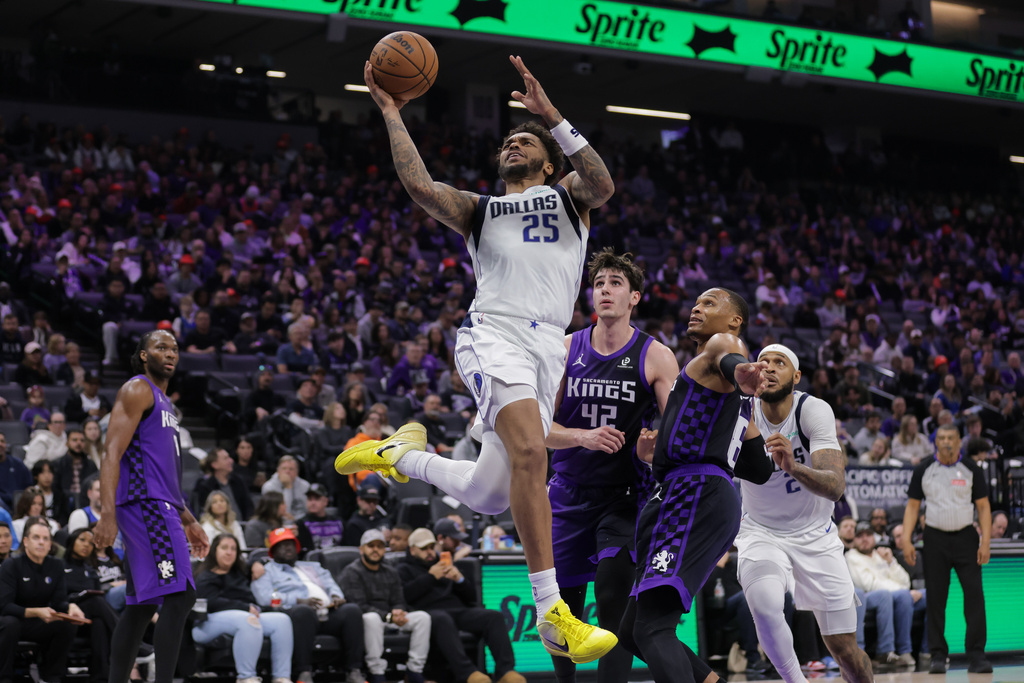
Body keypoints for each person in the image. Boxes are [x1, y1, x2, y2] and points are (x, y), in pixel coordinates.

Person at [336, 54, 618, 663]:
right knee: (529, 452)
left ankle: (398, 455)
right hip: (494, 333)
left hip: (550, 348)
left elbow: (601, 184)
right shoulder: (480, 209)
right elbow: (418, 186)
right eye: (509, 140)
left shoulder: (570, 198)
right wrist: (391, 113)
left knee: (492, 493)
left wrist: (555, 118)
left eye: (525, 140)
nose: (513, 144)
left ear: (547, 162)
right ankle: (553, 613)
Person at [618, 288, 773, 683]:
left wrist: (740, 369)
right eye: (697, 302)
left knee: (653, 629)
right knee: (635, 632)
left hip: (694, 493)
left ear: (734, 320)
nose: (696, 308)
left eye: (710, 303)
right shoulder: (726, 392)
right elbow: (758, 468)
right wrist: (661, 453)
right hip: (694, 490)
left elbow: (731, 356)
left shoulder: (723, 345)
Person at [541, 248, 679, 682]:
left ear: (634, 297)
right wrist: (581, 436)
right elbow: (533, 428)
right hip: (566, 491)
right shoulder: (565, 349)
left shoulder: (656, 356)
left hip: (623, 498)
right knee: (560, 608)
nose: (605, 290)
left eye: (615, 283)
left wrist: (651, 450)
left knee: (612, 593)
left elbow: (676, 438)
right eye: (599, 283)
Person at [734, 344, 873, 683]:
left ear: (795, 377)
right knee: (765, 604)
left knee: (844, 649)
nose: (768, 367)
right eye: (762, 361)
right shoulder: (739, 411)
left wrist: (793, 467)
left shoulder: (813, 410)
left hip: (815, 533)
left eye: (779, 363)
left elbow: (836, 486)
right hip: (760, 530)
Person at [92, 330, 210, 683]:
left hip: (161, 505)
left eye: (174, 349)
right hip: (146, 506)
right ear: (144, 355)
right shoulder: (138, 389)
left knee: (141, 605)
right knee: (181, 595)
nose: (170, 353)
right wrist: (107, 514)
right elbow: (111, 451)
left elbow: (163, 471)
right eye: (161, 347)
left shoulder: (165, 403)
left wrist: (188, 518)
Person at [900, 423, 992, 674]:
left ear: (959, 440)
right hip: (934, 538)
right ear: (936, 442)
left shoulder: (972, 468)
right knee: (936, 599)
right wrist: (907, 539)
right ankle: (938, 654)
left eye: (951, 437)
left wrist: (985, 542)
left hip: (966, 538)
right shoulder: (924, 469)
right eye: (941, 438)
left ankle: (977, 655)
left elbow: (983, 507)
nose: (946, 442)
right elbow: (912, 506)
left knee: (974, 597)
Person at [398, 527, 525, 683]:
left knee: (494, 616)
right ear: (412, 550)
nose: (430, 552)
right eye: (424, 548)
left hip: (458, 611)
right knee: (442, 618)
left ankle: (506, 671)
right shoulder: (403, 569)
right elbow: (405, 596)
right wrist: (430, 577)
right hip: (428, 613)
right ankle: (468, 673)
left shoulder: (445, 564)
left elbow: (472, 597)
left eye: (431, 547)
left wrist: (459, 580)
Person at [251, 527, 364, 683]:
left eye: (291, 543)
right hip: (296, 616)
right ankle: (304, 672)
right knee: (303, 612)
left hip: (327, 612)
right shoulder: (267, 571)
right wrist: (298, 600)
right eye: (282, 544)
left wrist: (336, 596)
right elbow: (264, 598)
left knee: (352, 611)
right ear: (273, 550)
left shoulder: (312, 566)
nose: (288, 547)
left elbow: (331, 583)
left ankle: (354, 671)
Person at [193, 533, 294, 683]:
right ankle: (246, 677)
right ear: (215, 550)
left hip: (244, 616)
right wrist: (245, 607)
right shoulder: (205, 576)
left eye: (233, 549)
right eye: (224, 548)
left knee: (282, 620)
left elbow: (257, 558)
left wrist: (256, 563)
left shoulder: (239, 571)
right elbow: (211, 602)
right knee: (248, 620)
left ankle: (281, 677)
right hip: (206, 623)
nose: (229, 552)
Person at [339, 528, 431, 683]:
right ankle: (377, 672)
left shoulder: (391, 571)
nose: (375, 550)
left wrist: (399, 612)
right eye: (371, 546)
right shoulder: (352, 572)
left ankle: (414, 670)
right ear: (361, 549)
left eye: (380, 546)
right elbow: (358, 605)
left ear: (384, 550)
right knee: (371, 618)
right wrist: (388, 616)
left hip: (391, 618)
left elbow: (399, 599)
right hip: (368, 621)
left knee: (423, 618)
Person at [0, 517, 85, 683]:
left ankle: (51, 676)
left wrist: (71, 607)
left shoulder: (56, 565)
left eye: (46, 539)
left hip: (38, 621)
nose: (41, 543)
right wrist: (36, 612)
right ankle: (4, 677)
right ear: (25, 541)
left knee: (66, 624)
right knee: (10, 623)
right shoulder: (11, 565)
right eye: (36, 538)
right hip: (14, 619)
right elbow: (4, 606)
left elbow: (59, 602)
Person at [846, 521, 922, 669]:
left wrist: (891, 561)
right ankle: (885, 651)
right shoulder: (851, 556)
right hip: (865, 596)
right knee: (885, 595)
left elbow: (905, 582)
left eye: (868, 535)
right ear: (854, 540)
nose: (865, 539)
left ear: (874, 538)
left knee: (916, 596)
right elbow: (867, 584)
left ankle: (912, 651)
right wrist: (902, 590)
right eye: (860, 536)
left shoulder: (881, 554)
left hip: (889, 593)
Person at [62, 526, 122, 683]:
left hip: (88, 618)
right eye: (82, 540)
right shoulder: (59, 566)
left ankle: (101, 678)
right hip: (66, 613)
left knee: (100, 623)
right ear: (71, 541)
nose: (86, 545)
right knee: (95, 601)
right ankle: (126, 638)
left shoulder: (91, 571)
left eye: (90, 542)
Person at [194, 447, 253, 522]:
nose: (231, 461)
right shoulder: (206, 486)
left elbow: (248, 506)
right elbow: (205, 512)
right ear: (215, 465)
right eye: (226, 458)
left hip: (242, 526)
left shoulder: (238, 481)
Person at [296, 483, 344, 554]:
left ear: (325, 501)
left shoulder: (338, 522)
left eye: (317, 499)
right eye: (310, 499)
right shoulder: (301, 524)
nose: (313, 503)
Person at [262, 455, 311, 521]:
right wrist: (288, 487)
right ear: (278, 471)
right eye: (284, 468)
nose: (287, 472)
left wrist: (298, 520)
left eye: (291, 469)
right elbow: (278, 513)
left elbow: (308, 509)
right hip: (278, 522)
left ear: (297, 472)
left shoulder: (305, 486)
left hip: (302, 522)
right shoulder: (269, 487)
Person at [342, 480, 390, 547]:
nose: (371, 504)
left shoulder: (383, 518)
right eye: (368, 501)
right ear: (359, 500)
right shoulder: (353, 524)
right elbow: (356, 549)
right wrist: (380, 537)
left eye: (375, 501)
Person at [0, 431, 33, 509]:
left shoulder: (17, 464)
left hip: (20, 504)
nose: (0, 444)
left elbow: (29, 486)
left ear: (6, 445)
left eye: (2, 441)